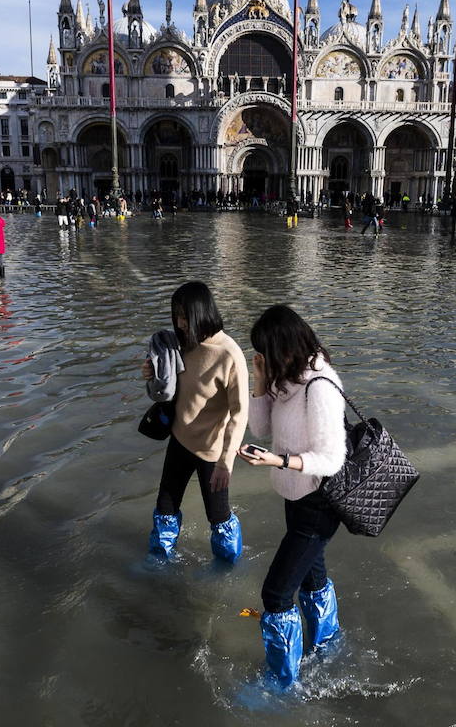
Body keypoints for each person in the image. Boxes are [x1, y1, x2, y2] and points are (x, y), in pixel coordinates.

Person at [238, 305, 348, 689]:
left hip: (318, 503)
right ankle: (329, 644)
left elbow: (332, 459)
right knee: (312, 578)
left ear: (284, 345)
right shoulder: (286, 378)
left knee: (276, 593)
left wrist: (279, 460)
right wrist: (259, 379)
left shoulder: (320, 385)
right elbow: (261, 425)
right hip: (296, 498)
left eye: (264, 352)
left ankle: (282, 683)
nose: (262, 358)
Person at [140, 282, 248, 562]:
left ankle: (226, 570)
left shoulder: (229, 355)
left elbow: (240, 413)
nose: (179, 323)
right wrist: (151, 375)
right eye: (176, 315)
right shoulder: (182, 344)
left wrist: (227, 461)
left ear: (201, 312)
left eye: (185, 316)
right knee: (165, 507)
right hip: (179, 440)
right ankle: (159, 561)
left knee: (219, 518)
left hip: (212, 452)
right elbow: (169, 387)